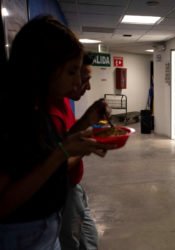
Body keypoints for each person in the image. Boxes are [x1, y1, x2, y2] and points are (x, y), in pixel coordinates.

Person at [0, 15, 113, 249]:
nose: (76, 83)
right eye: (71, 72)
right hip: (22, 235)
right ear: (45, 68)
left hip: (46, 226)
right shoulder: (13, 116)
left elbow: (49, 153)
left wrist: (86, 122)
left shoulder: (37, 107)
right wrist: (63, 153)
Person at [50, 53, 104, 250]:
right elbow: (54, 163)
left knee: (89, 238)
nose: (86, 86)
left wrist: (87, 121)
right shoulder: (46, 114)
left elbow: (65, 141)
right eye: (81, 77)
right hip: (64, 190)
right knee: (72, 241)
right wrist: (85, 146)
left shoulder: (62, 101)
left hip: (75, 186)